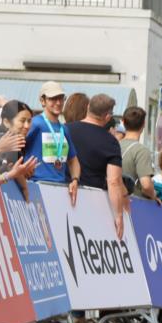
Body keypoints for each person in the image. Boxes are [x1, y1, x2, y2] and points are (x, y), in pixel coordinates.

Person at [65, 94, 125, 239]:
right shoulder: (110, 142)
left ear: (88, 108)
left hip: (63, 193)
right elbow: (114, 181)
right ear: (107, 116)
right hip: (92, 204)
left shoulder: (65, 129)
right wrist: (118, 215)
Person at [25, 81, 80, 206]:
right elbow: (17, 148)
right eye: (53, 99)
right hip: (36, 186)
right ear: (42, 100)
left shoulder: (64, 129)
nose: (58, 103)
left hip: (60, 188)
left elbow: (73, 160)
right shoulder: (35, 123)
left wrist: (75, 180)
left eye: (61, 98)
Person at [119, 106, 159, 202]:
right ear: (144, 124)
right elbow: (146, 185)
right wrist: (154, 196)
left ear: (123, 122)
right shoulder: (141, 151)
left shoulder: (113, 145)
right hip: (132, 203)